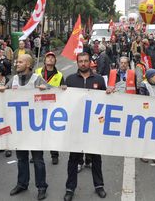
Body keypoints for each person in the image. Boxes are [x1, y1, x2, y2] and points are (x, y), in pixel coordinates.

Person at [0, 54, 48, 200]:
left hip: (34, 127)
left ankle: (41, 186)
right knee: (21, 158)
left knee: (38, 160)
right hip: (18, 127)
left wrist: (47, 88)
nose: (16, 63)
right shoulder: (13, 79)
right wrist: (1, 90)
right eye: (16, 61)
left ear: (28, 64)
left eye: (19, 62)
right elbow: (3, 93)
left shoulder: (37, 79)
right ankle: (22, 183)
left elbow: (53, 91)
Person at [64, 52, 107, 201]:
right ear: (77, 63)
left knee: (96, 158)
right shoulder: (69, 80)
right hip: (75, 126)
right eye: (80, 61)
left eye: (85, 61)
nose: (83, 63)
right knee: (73, 159)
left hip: (94, 126)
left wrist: (109, 93)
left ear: (90, 62)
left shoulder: (99, 80)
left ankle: (99, 186)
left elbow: (106, 102)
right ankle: (70, 188)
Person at [35, 51, 65, 165]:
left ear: (55, 61)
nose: (50, 59)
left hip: (53, 106)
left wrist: (63, 87)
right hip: (38, 105)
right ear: (44, 60)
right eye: (48, 57)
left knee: (52, 133)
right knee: (38, 131)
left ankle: (54, 155)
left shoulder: (60, 75)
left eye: (52, 57)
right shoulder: (37, 72)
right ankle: (37, 155)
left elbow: (63, 90)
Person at [138, 69, 155, 164]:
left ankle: (154, 154)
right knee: (146, 135)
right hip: (147, 113)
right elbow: (142, 99)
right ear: (150, 77)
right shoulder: (143, 86)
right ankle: (143, 154)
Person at [0, 65, 13, 158]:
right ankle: (1, 145)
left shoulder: (8, 80)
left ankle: (8, 147)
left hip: (6, 106)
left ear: (0, 72)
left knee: (6, 126)